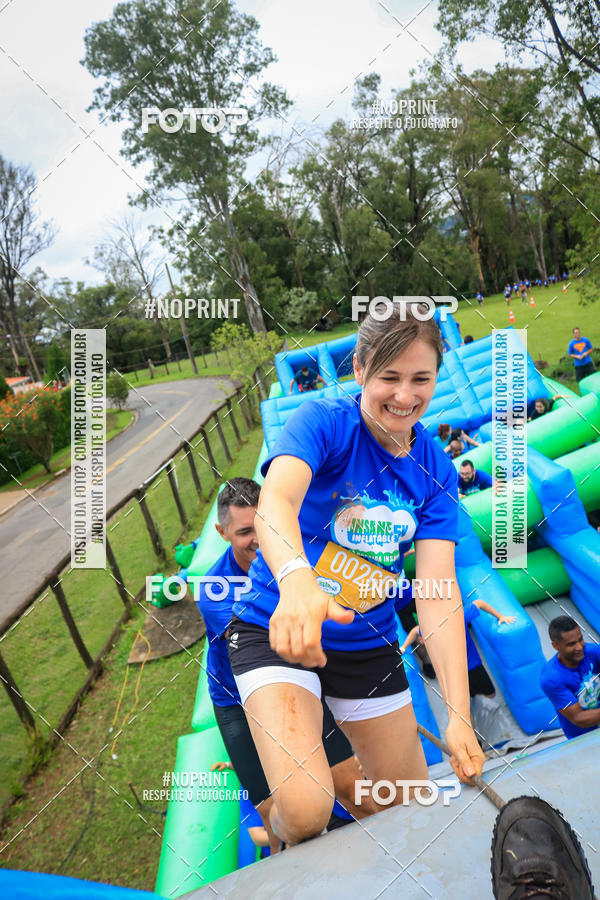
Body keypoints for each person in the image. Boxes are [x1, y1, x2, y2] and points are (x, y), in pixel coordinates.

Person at [228, 302, 485, 845]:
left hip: (365, 646)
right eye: (389, 377)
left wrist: (459, 715)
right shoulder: (324, 423)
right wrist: (298, 579)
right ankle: (271, 828)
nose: (405, 396)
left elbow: (438, 592)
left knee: (413, 812)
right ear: (361, 371)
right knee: (306, 811)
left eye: (421, 379)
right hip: (275, 629)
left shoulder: (436, 470)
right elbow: (276, 500)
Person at [196, 478, 371, 854]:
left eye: (263, 526)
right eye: (245, 532)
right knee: (279, 816)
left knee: (354, 787)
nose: (258, 539)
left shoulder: (298, 557)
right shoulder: (214, 590)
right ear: (221, 532)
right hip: (239, 705)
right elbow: (272, 645)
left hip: (294, 679)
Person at [402, 599, 515, 698]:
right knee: (465, 700)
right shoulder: (433, 628)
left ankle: (475, 698)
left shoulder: (459, 616)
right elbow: (415, 631)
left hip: (472, 667)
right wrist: (403, 647)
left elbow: (479, 603)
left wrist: (501, 616)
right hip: (455, 673)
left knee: (490, 694)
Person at [540, 615, 600, 740]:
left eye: (580, 640)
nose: (579, 647)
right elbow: (579, 718)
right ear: (556, 646)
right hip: (584, 739)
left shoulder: (594, 651)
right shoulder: (551, 678)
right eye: (571, 644)